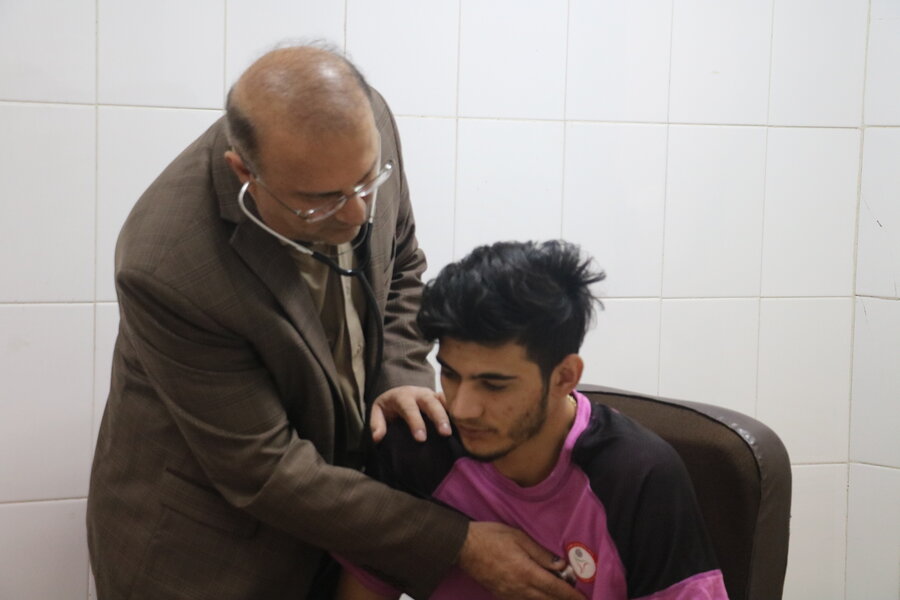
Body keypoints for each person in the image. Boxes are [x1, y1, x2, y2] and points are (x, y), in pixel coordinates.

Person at [86, 45, 581, 600]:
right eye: (320, 201)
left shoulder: (364, 126)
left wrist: (399, 377)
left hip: (346, 524)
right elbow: (264, 470)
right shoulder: (169, 263)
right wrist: (457, 543)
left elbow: (401, 263)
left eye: (366, 183)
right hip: (210, 555)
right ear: (245, 173)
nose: (357, 214)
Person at [336, 240, 729, 599]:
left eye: (494, 385)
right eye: (451, 374)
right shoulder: (417, 447)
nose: (463, 408)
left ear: (564, 377)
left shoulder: (638, 476)